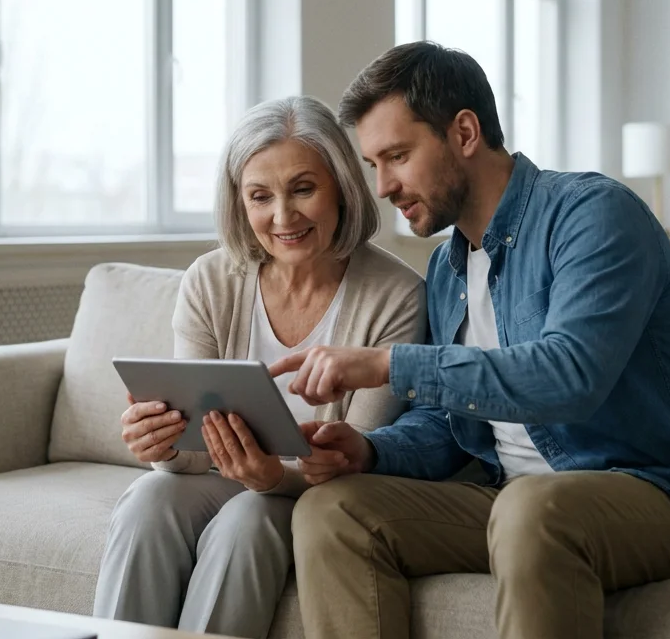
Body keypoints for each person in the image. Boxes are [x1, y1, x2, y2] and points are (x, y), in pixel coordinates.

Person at [271, 42, 670, 639]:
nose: (383, 186)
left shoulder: (593, 216)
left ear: (465, 132)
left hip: (661, 497)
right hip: (512, 501)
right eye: (373, 165)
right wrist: (367, 453)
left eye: (397, 155)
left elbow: (568, 376)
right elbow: (447, 429)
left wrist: (390, 364)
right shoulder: (447, 272)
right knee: (332, 510)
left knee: (532, 512)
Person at [92, 95, 427, 639]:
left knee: (249, 519)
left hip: (315, 494)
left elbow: (364, 463)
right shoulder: (209, 280)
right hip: (224, 481)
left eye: (303, 189)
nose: (282, 217)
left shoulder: (397, 297)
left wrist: (274, 479)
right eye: (260, 196)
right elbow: (192, 456)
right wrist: (165, 445)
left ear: (341, 186)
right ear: (239, 204)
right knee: (148, 497)